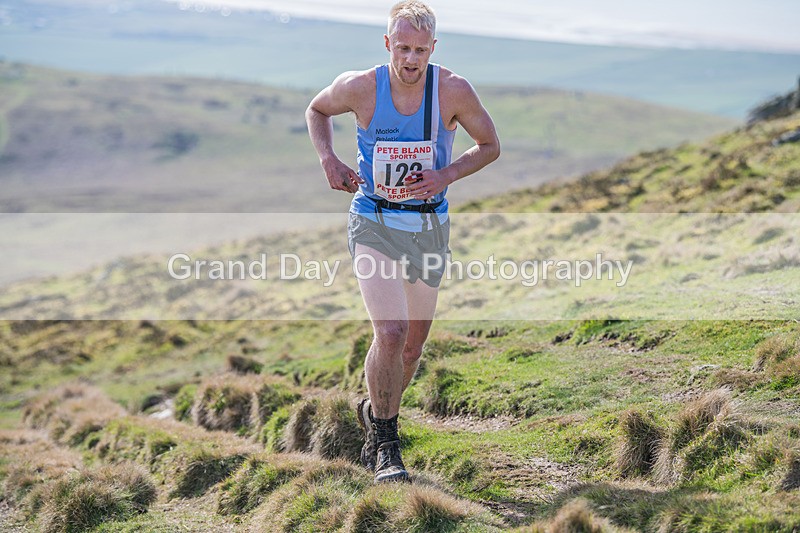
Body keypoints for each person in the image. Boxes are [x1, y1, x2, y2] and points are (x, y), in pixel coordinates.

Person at [305, 0, 499, 483]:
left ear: (433, 49)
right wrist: (329, 160)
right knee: (389, 333)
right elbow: (317, 109)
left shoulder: (453, 90)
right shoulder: (361, 87)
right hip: (373, 218)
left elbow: (490, 145)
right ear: (387, 44)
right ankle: (386, 445)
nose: (410, 60)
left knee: (412, 347)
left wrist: (447, 174)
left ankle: (375, 412)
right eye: (403, 48)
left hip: (429, 226)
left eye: (420, 50)